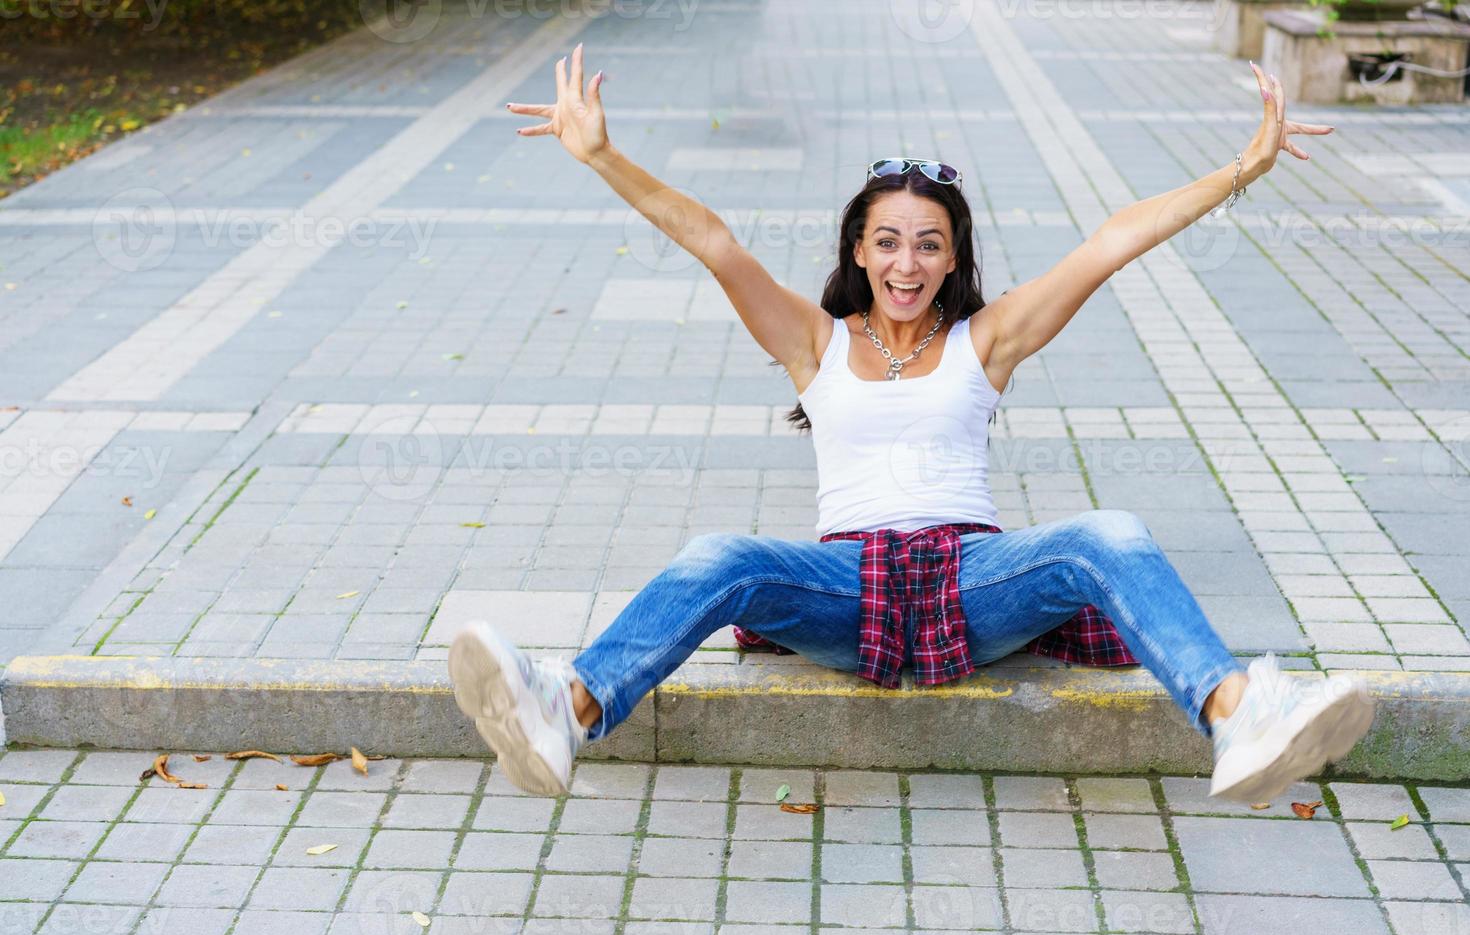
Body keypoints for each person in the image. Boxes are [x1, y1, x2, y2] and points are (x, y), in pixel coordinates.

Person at [449, 44, 1374, 802]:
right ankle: (564, 709)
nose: (907, 262)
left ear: (953, 257)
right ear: (860, 248)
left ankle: (1239, 713)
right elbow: (713, 241)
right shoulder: (816, 343)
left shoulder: (989, 339)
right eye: (888, 241)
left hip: (974, 582)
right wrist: (603, 155)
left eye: (929, 244)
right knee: (719, 555)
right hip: (845, 586)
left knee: (1111, 535)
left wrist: (1242, 169)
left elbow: (1111, 242)